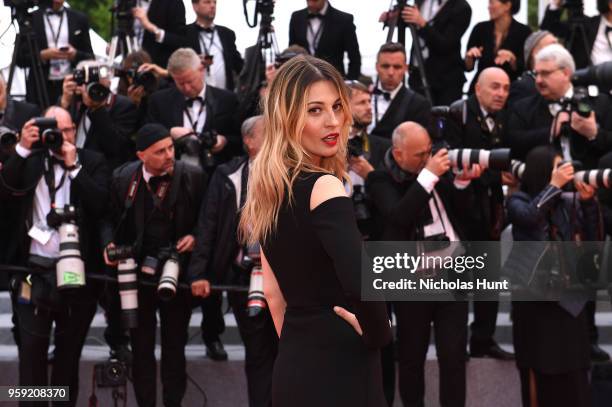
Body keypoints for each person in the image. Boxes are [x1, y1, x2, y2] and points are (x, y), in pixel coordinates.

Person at [239, 55, 392, 406]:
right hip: (341, 364)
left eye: (337, 106)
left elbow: (274, 296)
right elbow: (360, 280)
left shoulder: (269, 190)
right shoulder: (324, 186)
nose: (333, 121)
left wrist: (304, 343)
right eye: (315, 110)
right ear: (288, 119)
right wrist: (378, 334)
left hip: (294, 364)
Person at [366, 121, 481, 407]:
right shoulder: (381, 180)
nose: (426, 159)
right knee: (411, 356)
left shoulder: (436, 173)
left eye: (429, 152)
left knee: (453, 355)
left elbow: (465, 215)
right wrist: (427, 176)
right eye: (419, 155)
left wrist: (462, 183)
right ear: (398, 153)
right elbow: (399, 215)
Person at [0, 106, 109, 406]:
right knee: (31, 356)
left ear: (75, 130)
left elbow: (102, 207)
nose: (61, 137)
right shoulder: (29, 160)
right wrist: (21, 148)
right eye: (54, 130)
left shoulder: (92, 162)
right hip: (32, 273)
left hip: (78, 278)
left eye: (68, 130)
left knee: (67, 359)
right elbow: (4, 194)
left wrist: (74, 168)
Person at [101, 123, 205, 407]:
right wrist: (109, 243)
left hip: (176, 275)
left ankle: (173, 402)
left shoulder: (192, 176)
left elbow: (208, 219)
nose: (169, 155)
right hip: (136, 276)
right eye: (160, 151)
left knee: (175, 348)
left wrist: (194, 237)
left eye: (170, 147)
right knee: (141, 348)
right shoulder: (123, 178)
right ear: (141, 155)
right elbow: (108, 219)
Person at [189, 115, 278, 406]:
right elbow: (208, 224)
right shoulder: (227, 174)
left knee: (288, 351)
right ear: (250, 141)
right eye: (270, 133)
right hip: (242, 274)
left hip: (286, 277)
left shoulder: (296, 172)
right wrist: (199, 273)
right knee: (258, 353)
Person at [506, 145, 598, 407]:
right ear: (542, 171)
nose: (563, 174)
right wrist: (553, 187)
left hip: (569, 301)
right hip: (535, 302)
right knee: (540, 371)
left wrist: (589, 203)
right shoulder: (518, 200)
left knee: (574, 374)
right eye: (557, 168)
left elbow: (592, 241)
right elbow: (530, 218)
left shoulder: (567, 201)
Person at [444, 67, 515, 361]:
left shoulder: (506, 117)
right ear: (478, 89)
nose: (501, 93)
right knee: (459, 282)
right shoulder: (457, 114)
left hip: (491, 211)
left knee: (488, 279)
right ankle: (456, 344)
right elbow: (452, 160)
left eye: (506, 88)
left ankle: (483, 340)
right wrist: (494, 177)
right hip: (460, 209)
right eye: (495, 87)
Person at [507, 44, 612, 168]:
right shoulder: (523, 108)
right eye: (537, 74)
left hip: (592, 180)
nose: (539, 80)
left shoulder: (600, 102)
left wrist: (594, 133)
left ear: (566, 73)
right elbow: (513, 144)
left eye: (545, 73)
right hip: (544, 183)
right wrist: (550, 131)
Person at [147, 48, 240, 168]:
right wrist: (168, 133)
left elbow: (241, 139)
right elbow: (146, 136)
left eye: (190, 81)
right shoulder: (159, 101)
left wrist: (224, 141)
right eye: (180, 83)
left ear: (201, 70)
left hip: (215, 174)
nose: (186, 88)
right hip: (173, 174)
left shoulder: (227, 100)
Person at [59, 60, 139, 169]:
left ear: (108, 82)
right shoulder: (73, 101)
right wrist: (64, 102)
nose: (91, 88)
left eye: (98, 82)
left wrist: (97, 108)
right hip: (70, 166)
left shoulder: (123, 105)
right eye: (87, 82)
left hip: (102, 172)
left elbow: (116, 148)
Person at [16, 0, 93, 107]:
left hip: (70, 84)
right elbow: (19, 59)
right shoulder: (32, 18)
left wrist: (75, 54)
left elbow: (90, 57)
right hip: (40, 86)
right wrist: (43, 55)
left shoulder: (79, 18)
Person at [396, 0, 472, 105]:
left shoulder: (462, 7)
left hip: (445, 81)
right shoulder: (421, 1)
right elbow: (410, 20)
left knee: (442, 119)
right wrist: (395, 17)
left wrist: (422, 23)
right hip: (418, 74)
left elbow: (445, 44)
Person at [464, 0, 531, 93]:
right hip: (481, 89)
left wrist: (512, 60)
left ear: (507, 5)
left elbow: (527, 67)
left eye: (492, 3)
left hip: (510, 92)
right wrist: (469, 58)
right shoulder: (480, 29)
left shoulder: (524, 32)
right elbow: (468, 68)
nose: (489, 7)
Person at [368, 43, 432, 140]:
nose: (391, 73)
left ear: (405, 68)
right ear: (377, 67)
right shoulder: (362, 96)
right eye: (385, 66)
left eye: (397, 67)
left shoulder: (419, 105)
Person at [289, 0, 361, 79]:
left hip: (333, 80)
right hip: (302, 80)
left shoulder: (344, 20)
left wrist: (348, 84)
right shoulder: (296, 17)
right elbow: (292, 53)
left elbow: (355, 58)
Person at [184, 0, 244, 91]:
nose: (212, 5)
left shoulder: (227, 34)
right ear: (195, 6)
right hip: (196, 95)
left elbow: (239, 65)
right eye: (207, 2)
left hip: (225, 96)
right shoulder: (185, 33)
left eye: (214, 2)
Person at [541, 0, 612, 69]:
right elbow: (549, 27)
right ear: (610, 4)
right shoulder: (585, 26)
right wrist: (555, 4)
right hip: (592, 78)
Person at [508, 30, 558, 107]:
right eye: (553, 45)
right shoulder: (522, 87)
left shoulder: (563, 83)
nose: (560, 49)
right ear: (536, 53)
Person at [132, 0, 187, 68]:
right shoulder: (127, 2)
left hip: (156, 67)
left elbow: (181, 40)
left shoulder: (173, 2)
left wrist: (152, 28)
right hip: (127, 61)